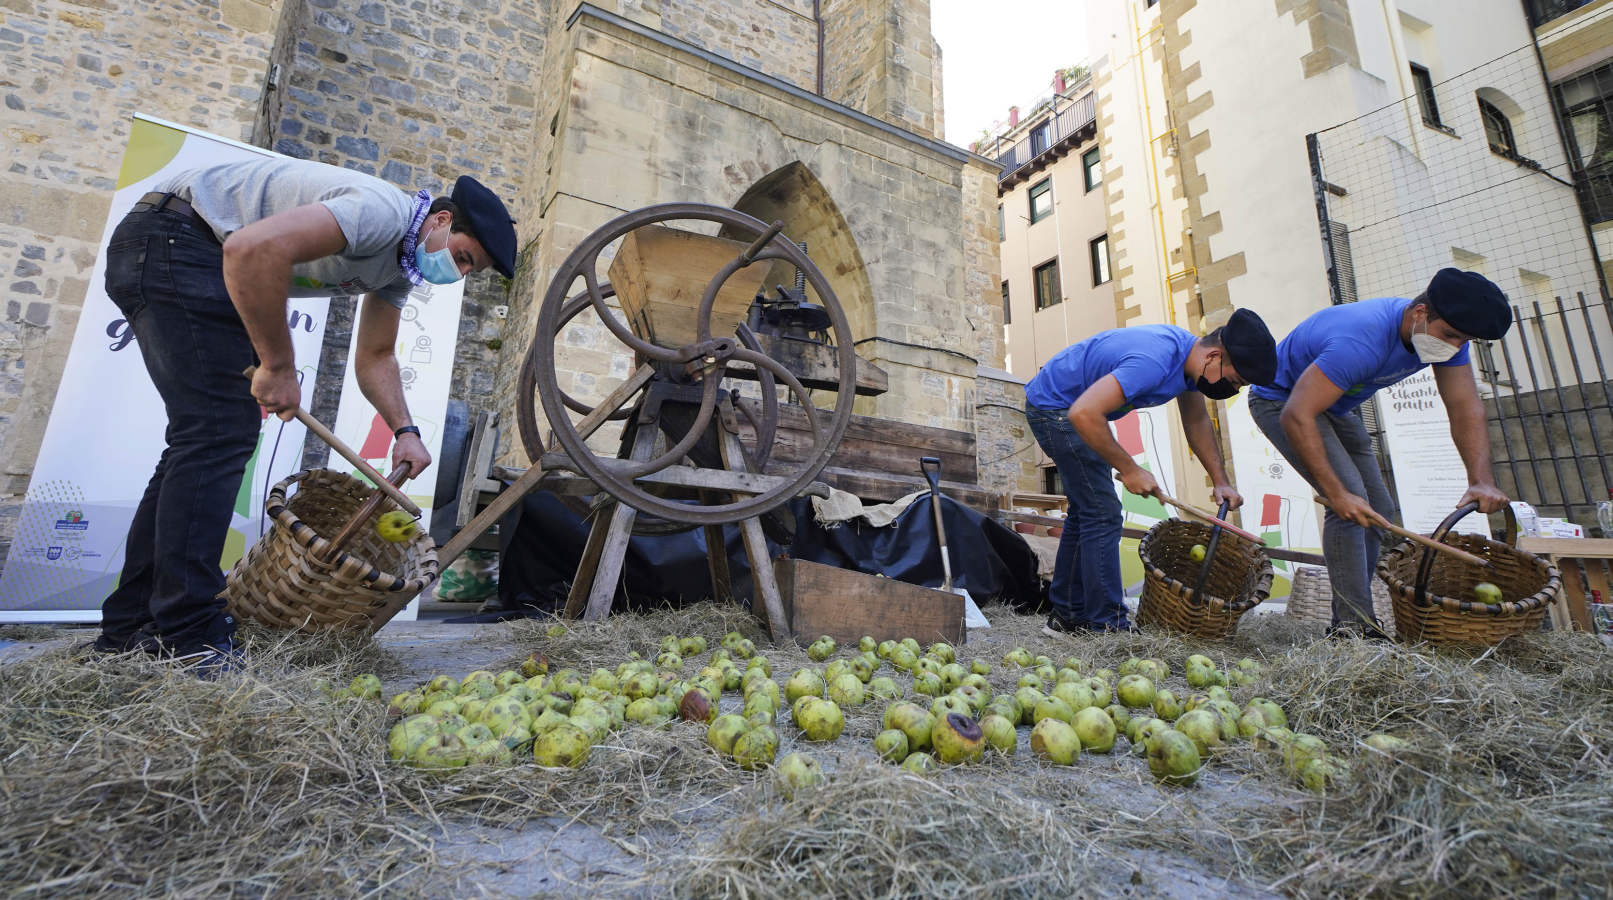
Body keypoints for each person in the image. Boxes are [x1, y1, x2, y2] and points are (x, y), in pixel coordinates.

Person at [90, 156, 517, 672]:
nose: (461, 273)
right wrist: (278, 364)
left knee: (201, 439)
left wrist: (405, 432)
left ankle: (132, 626)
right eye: (466, 258)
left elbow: (375, 357)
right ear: (443, 221)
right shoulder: (383, 212)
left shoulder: (398, 269)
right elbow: (253, 249)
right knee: (218, 435)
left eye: (472, 271)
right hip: (179, 240)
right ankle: (188, 631)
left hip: (183, 252)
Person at [1248, 268, 1512, 639]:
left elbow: (1465, 406)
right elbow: (1297, 414)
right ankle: (1352, 627)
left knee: (1379, 511)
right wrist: (1337, 495)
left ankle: (1356, 605)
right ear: (1420, 312)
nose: (1454, 347)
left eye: (1463, 340)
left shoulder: (1446, 339)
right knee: (1350, 506)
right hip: (1282, 402)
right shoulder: (1361, 339)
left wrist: (1480, 480)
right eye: (1450, 336)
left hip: (1335, 406)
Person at [1024, 310, 1279, 636]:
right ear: (1214, 356)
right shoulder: (1155, 360)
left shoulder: (1190, 364)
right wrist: (1130, 469)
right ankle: (1108, 626)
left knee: (1088, 510)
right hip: (1056, 408)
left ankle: (1067, 616)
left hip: (1072, 407)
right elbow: (1084, 413)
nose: (1233, 389)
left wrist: (1220, 481)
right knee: (1102, 513)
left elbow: (1197, 422)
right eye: (1234, 381)